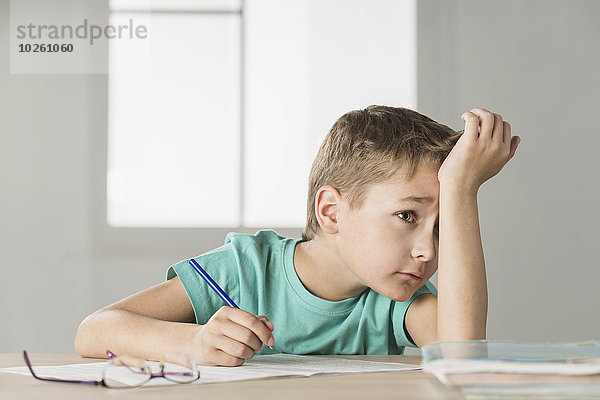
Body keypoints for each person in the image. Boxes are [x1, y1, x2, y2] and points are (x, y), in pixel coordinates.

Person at [75, 106, 520, 366]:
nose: (427, 251)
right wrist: (192, 342)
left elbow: (462, 356)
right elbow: (94, 331)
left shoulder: (398, 299)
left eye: (443, 227)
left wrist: (462, 189)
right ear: (331, 212)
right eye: (407, 215)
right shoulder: (245, 270)